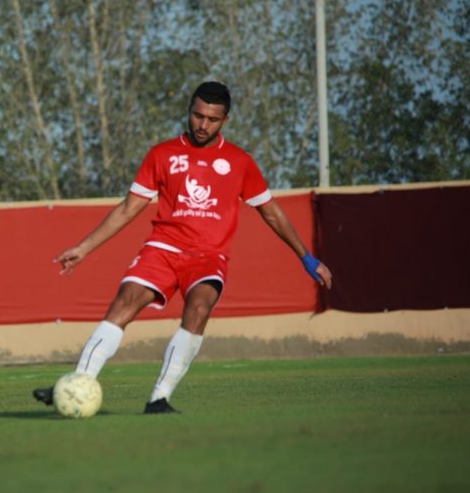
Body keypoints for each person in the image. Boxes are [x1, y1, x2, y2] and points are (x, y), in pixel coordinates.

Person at [33, 81, 333, 414]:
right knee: (126, 300)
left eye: (212, 119)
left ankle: (159, 398)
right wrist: (84, 248)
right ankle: (76, 383)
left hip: (208, 257)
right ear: (189, 111)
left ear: (225, 120)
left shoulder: (239, 162)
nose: (203, 125)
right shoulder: (162, 154)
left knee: (200, 306)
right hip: (162, 249)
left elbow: (271, 212)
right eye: (197, 115)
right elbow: (128, 208)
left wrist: (306, 257)